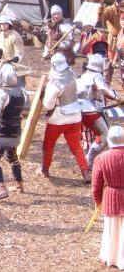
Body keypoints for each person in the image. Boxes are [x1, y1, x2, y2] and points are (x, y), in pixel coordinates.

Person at [41, 53, 90, 183]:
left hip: (58, 118)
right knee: (76, 147)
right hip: (75, 116)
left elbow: (48, 104)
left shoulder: (55, 82)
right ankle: (85, 172)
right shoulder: (72, 74)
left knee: (48, 145)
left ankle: (45, 170)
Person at [0, 64, 27, 202]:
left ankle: (2, 189)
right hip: (16, 132)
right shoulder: (22, 92)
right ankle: (19, 185)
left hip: (2, 133)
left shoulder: (2, 94)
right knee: (12, 157)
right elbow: (24, 111)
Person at [78, 54, 121, 168]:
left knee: (91, 136)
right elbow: (103, 89)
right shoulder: (96, 76)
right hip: (92, 111)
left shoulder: (81, 77)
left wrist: (117, 96)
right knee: (107, 136)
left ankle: (88, 161)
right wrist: (117, 98)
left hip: (79, 111)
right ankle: (89, 160)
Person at [92, 126, 124, 270]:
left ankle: (111, 257)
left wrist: (98, 200)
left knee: (112, 230)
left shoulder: (102, 158)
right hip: (113, 197)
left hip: (111, 198)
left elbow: (96, 184)